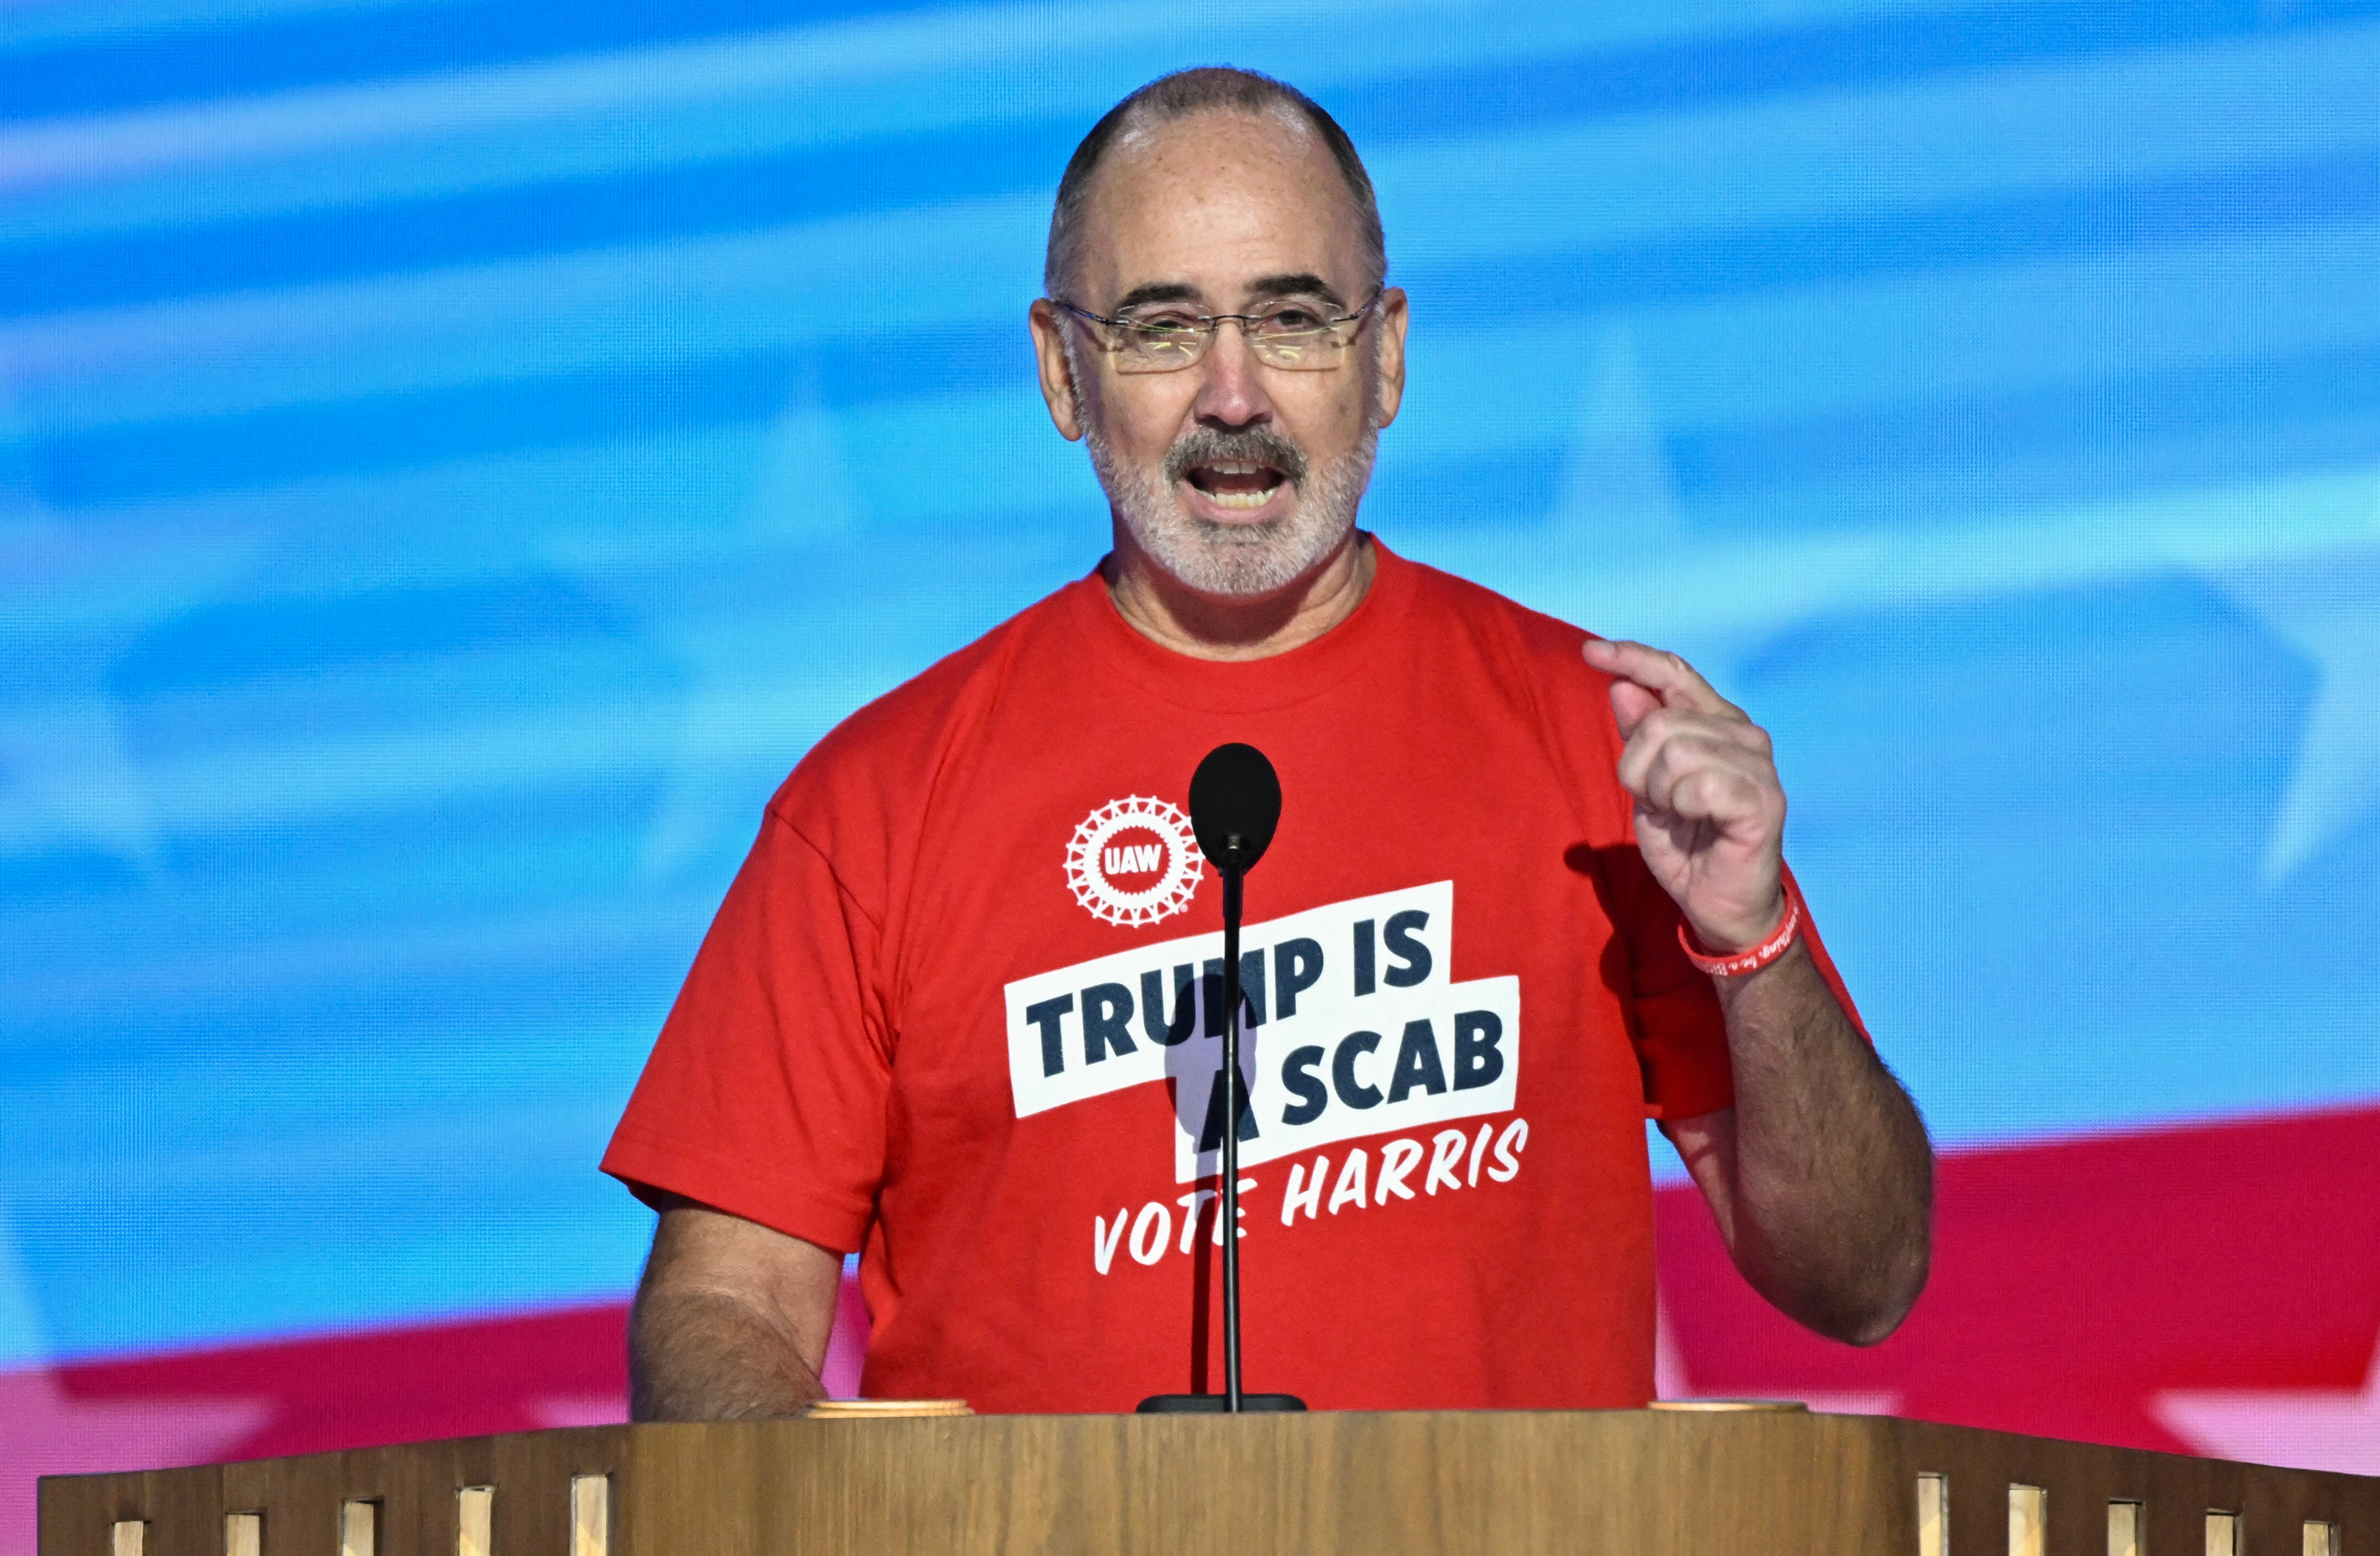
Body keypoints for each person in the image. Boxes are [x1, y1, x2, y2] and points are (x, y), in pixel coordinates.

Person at [605, 67, 1931, 1421]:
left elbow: (1861, 1277)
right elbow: (725, 1304)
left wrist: (1750, 939)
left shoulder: (1601, 747)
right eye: (1162, 328)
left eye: (1292, 320)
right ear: (1063, 372)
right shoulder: (874, 806)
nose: (1231, 396)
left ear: (1386, 358)